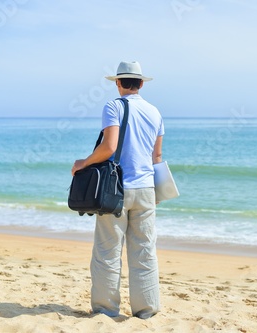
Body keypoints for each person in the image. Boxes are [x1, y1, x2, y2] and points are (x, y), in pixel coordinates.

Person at [71, 61, 163, 319]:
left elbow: (109, 147)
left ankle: (106, 310)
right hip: (146, 189)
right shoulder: (155, 112)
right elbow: (157, 156)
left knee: (107, 251)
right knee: (144, 252)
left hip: (117, 190)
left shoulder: (113, 106)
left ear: (118, 82)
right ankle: (146, 311)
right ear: (141, 83)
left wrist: (84, 163)